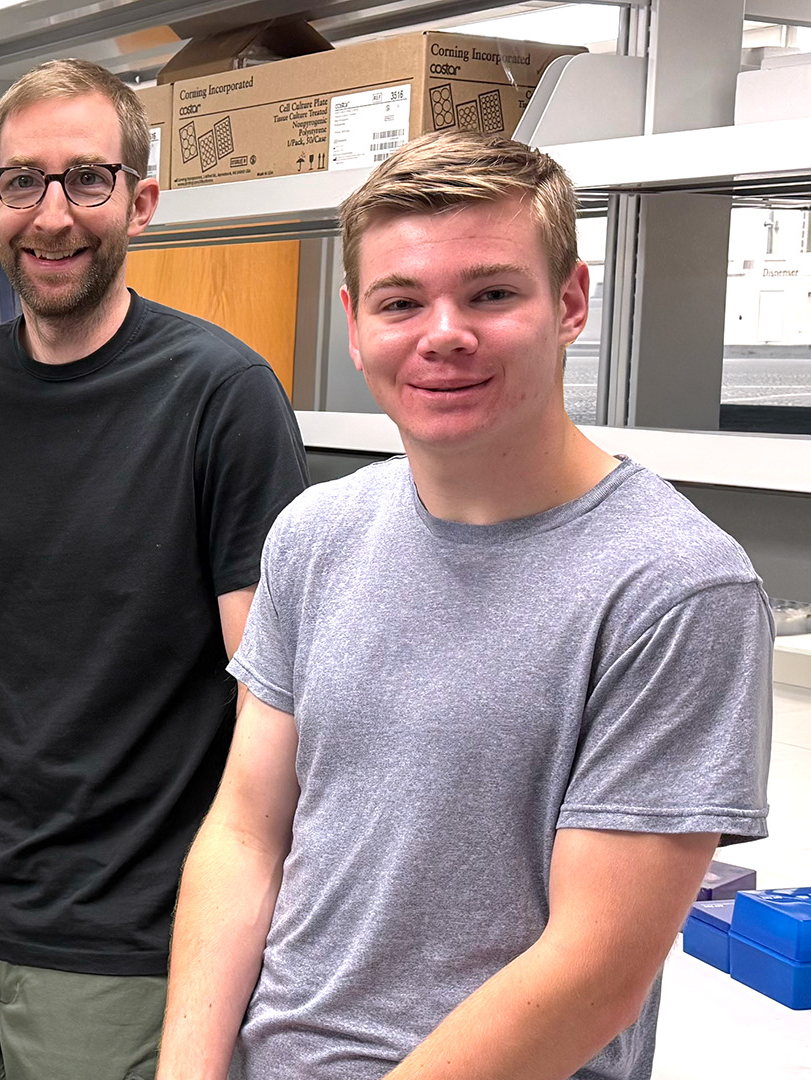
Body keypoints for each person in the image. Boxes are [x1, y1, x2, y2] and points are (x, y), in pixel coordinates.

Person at [157, 132, 774, 1080]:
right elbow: (247, 829)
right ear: (357, 323)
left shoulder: (676, 587)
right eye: (403, 302)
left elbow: (595, 969)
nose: (443, 332)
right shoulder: (316, 535)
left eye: (491, 293)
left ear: (568, 303)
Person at [0, 58, 309, 1080]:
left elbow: (274, 709)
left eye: (88, 179)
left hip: (139, 935)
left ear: (142, 198)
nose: (55, 215)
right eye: (25, 183)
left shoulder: (224, 395)